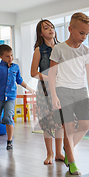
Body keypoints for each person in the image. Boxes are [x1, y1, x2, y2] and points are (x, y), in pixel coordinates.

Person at [48, 12, 89, 176]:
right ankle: (73, 162)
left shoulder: (86, 51)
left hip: (80, 91)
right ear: (70, 29)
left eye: (87, 34)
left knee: (85, 125)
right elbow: (52, 74)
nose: (84, 37)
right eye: (81, 33)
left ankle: (68, 149)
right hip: (63, 91)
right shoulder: (59, 49)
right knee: (68, 127)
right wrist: (54, 96)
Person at [0, 44, 35, 150]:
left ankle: (9, 141)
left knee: (8, 118)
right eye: (7, 56)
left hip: (10, 98)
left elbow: (19, 80)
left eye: (11, 55)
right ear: (0, 56)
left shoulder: (15, 67)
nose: (10, 58)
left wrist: (30, 89)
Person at [30, 19, 65, 165]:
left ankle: (58, 153)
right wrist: (50, 78)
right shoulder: (39, 50)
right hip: (45, 90)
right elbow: (33, 73)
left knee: (60, 123)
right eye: (46, 28)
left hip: (61, 89)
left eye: (52, 27)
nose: (51, 29)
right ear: (41, 33)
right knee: (47, 122)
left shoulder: (62, 48)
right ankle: (49, 153)